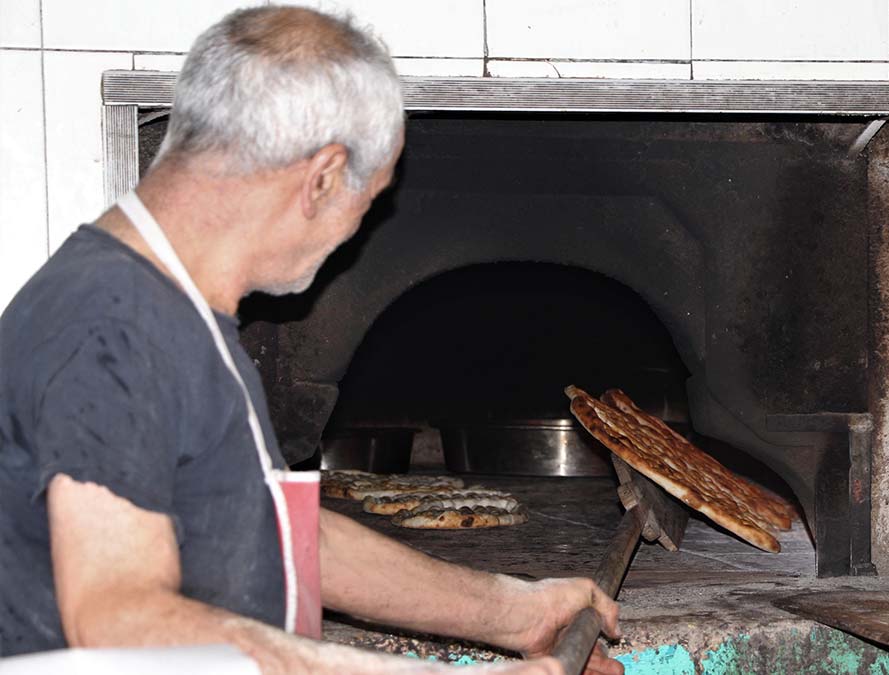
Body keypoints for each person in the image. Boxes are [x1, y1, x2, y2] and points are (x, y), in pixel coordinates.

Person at [0, 6, 622, 674]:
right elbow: (120, 626)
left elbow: (282, 536)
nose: (357, 231)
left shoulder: (169, 307)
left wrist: (516, 610)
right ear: (323, 176)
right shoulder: (114, 325)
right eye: (371, 202)